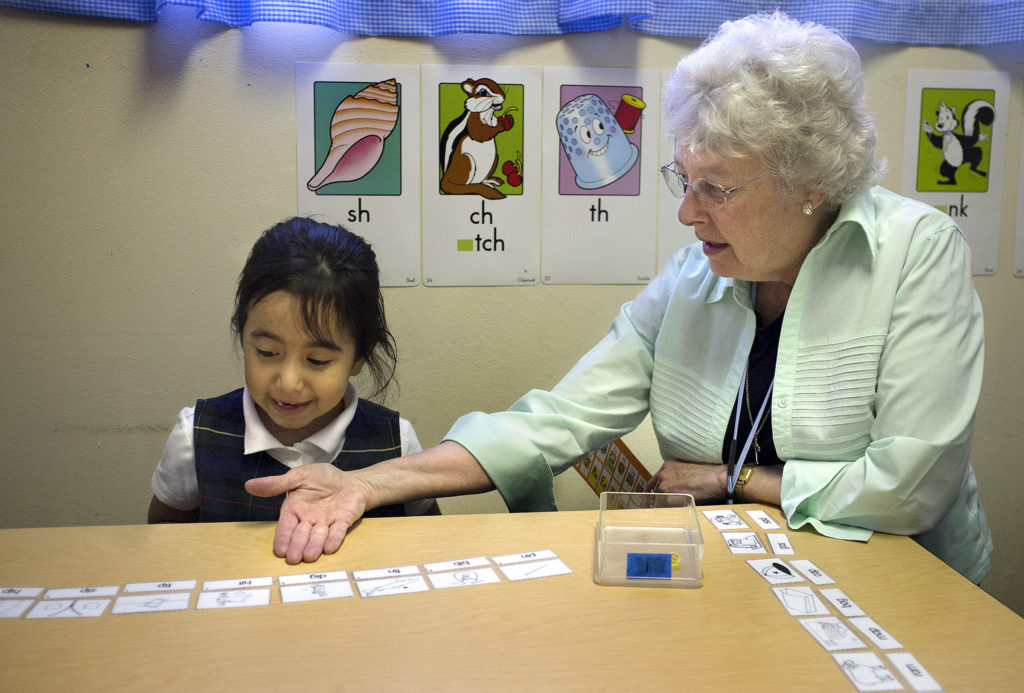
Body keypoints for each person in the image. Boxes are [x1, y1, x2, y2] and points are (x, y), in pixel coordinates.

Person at [247, 12, 992, 582]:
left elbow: (911, 484)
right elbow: (559, 419)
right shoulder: (694, 277)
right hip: (735, 579)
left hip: (897, 584)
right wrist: (365, 484)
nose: (688, 212)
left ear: (810, 184)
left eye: (716, 189)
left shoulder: (914, 252)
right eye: (684, 180)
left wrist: (743, 482)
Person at [148, 217, 436, 538]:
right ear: (243, 337)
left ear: (359, 357)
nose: (288, 382)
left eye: (317, 360)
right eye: (267, 353)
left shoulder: (396, 440)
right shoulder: (195, 436)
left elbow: (427, 538)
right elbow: (164, 534)